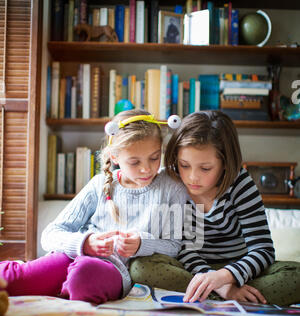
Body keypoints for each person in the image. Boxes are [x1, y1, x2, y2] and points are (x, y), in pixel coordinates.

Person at [0, 109, 187, 305]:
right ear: (115, 158)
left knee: (82, 277)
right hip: (70, 256)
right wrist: (85, 243)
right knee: (11, 278)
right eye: (134, 162)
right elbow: (49, 235)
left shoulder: (171, 187)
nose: (146, 169)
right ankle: (59, 287)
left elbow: (173, 246)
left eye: (154, 158)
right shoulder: (100, 184)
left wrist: (142, 243)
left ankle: (65, 290)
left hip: (111, 270)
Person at [130, 110, 300, 306]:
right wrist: (217, 284)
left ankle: (219, 295)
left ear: (225, 164)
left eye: (205, 168)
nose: (192, 177)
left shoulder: (240, 184)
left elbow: (262, 249)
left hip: (240, 270)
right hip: (190, 269)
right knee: (140, 267)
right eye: (184, 165)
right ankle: (226, 297)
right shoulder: (170, 183)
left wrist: (226, 277)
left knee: (296, 275)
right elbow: (183, 248)